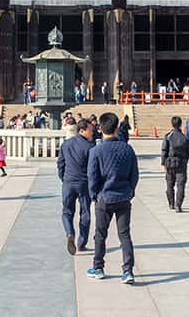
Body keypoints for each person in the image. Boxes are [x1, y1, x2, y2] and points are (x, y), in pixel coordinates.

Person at [86, 112, 139, 285]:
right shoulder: (127, 149)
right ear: (117, 128)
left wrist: (94, 195)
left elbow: (92, 177)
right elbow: (134, 175)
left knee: (100, 234)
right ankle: (128, 271)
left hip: (104, 197)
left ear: (100, 129)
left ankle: (99, 267)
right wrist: (130, 191)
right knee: (124, 234)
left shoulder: (96, 151)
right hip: (123, 196)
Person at [58, 118, 95, 254]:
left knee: (67, 212)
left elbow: (60, 164)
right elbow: (93, 169)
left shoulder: (66, 144)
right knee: (85, 213)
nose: (93, 132)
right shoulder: (90, 148)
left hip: (68, 182)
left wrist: (64, 178)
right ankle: (81, 242)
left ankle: (69, 233)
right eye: (90, 130)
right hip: (84, 183)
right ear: (82, 130)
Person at [161, 115, 189, 212]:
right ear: (180, 124)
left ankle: (171, 203)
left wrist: (163, 163)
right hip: (181, 163)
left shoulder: (168, 136)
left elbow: (164, 150)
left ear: (172, 124)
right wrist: (185, 160)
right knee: (180, 185)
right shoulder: (185, 137)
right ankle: (178, 205)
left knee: (170, 185)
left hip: (170, 163)